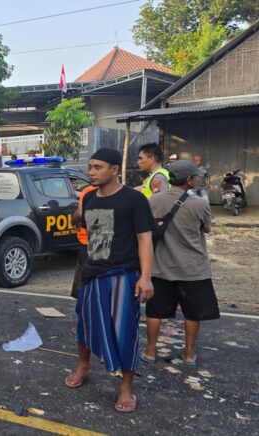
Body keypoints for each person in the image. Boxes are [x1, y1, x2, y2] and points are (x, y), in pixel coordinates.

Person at [65, 148, 155, 414]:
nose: (91, 172)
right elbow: (83, 229)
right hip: (93, 273)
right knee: (84, 323)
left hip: (123, 276)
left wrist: (146, 278)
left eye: (98, 167)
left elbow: (145, 239)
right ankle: (84, 365)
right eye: (90, 167)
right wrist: (79, 211)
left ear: (115, 170)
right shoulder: (90, 197)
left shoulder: (133, 200)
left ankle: (126, 386)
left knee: (124, 331)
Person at [140, 160, 219, 366]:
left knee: (154, 311)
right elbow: (207, 229)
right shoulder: (199, 203)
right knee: (192, 313)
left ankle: (149, 351)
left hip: (160, 267)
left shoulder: (154, 201)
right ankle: (189, 354)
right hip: (193, 269)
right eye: (195, 177)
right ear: (189, 180)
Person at [70, 183, 98, 298]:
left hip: (86, 239)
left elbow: (80, 213)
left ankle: (84, 298)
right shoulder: (114, 191)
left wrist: (74, 222)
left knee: (84, 273)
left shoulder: (88, 191)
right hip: (101, 240)